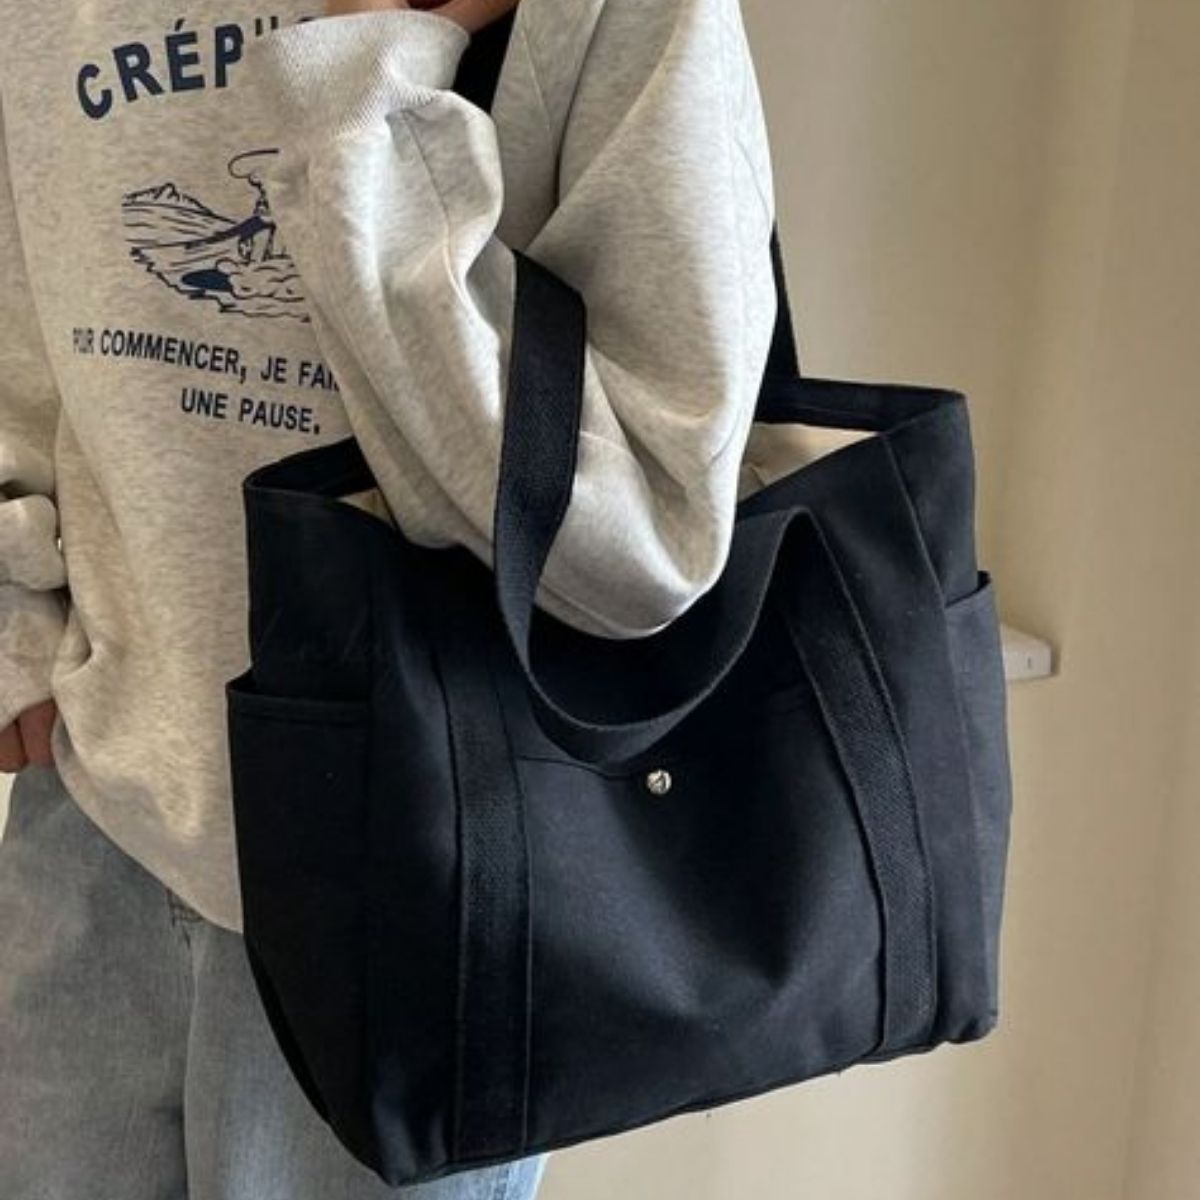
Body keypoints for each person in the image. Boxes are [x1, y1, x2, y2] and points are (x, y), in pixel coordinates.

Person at [0, 0, 779, 1194]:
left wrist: (366, 94)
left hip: (426, 864)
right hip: (94, 819)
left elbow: (644, 543)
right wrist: (15, 619)